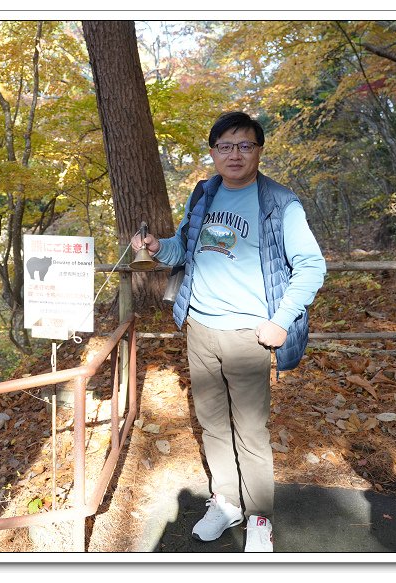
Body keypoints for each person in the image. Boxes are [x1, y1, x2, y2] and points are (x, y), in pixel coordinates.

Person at [131, 111, 326, 552]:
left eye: (244, 145)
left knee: (250, 430)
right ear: (213, 152)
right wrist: (160, 248)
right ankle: (226, 501)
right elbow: (186, 247)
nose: (234, 154)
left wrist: (281, 321)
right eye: (225, 146)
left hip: (248, 334)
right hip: (199, 327)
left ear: (258, 150)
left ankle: (259, 518)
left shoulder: (279, 203)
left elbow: (311, 266)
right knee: (213, 423)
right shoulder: (205, 193)